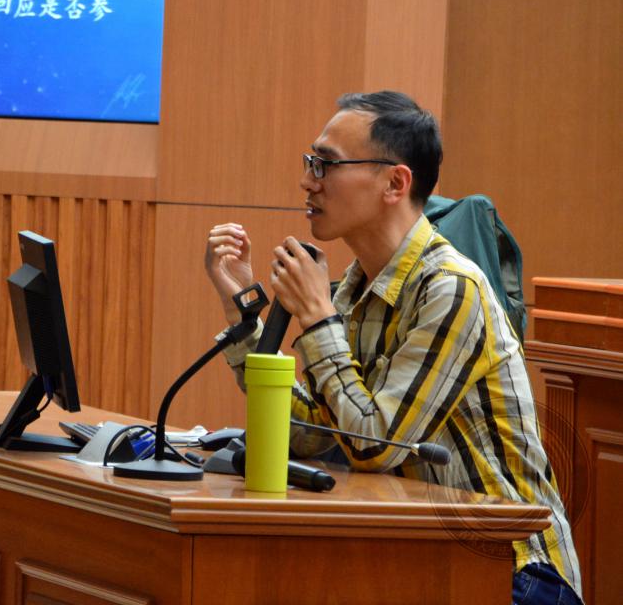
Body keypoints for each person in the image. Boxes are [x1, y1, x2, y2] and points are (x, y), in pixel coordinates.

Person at [205, 91, 581, 605]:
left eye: (326, 164)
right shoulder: (352, 290)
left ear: (395, 183)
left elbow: (375, 446)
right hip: (422, 556)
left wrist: (317, 318)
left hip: (513, 570)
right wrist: (241, 316)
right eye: (310, 162)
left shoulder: (451, 289)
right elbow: (310, 436)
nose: (308, 181)